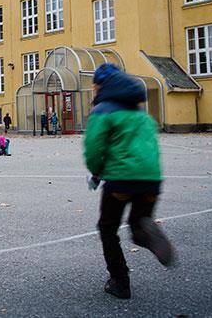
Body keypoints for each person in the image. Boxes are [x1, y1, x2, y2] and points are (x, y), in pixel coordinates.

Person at [83, 63, 176, 300]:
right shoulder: (140, 114)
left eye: (94, 85)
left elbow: (94, 148)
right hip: (151, 180)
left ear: (101, 85)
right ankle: (145, 230)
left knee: (108, 228)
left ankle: (120, 281)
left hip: (121, 179)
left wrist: (96, 171)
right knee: (138, 224)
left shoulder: (102, 110)